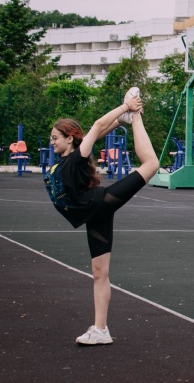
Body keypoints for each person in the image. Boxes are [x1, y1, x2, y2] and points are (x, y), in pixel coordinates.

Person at [44, 88, 159, 345]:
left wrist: (127, 107)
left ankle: (136, 117)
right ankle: (101, 330)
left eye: (55, 138)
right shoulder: (71, 157)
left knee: (151, 165)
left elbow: (97, 127)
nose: (51, 142)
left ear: (69, 139)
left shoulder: (75, 159)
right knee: (99, 273)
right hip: (93, 215)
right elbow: (97, 133)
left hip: (101, 203)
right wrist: (118, 121)